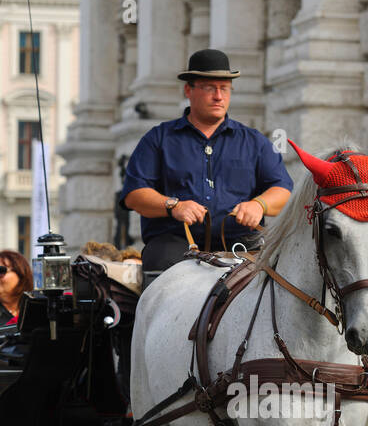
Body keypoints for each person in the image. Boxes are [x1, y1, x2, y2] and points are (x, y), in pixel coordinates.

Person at [120, 48, 293, 283]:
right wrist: (173, 206)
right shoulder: (159, 139)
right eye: (210, 88)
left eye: (224, 88)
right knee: (163, 269)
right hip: (174, 244)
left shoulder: (255, 141)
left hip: (242, 242)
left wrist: (259, 205)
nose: (218, 96)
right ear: (188, 90)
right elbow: (133, 195)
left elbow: (283, 189)